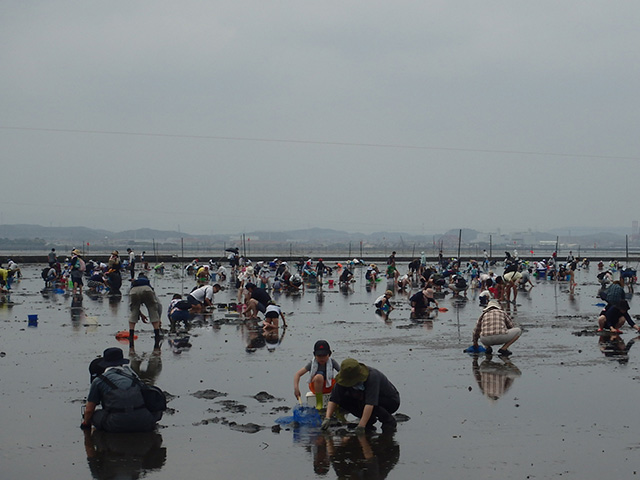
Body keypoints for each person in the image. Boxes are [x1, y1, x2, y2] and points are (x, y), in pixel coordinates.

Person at [81, 347, 162, 432]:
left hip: (116, 425)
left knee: (95, 414)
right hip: (144, 422)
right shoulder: (132, 374)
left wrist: (86, 424)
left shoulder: (99, 381)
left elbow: (89, 410)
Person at [322, 358, 400, 434]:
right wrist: (327, 418)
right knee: (342, 400)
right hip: (363, 399)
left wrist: (361, 426)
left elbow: (370, 403)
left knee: (370, 403)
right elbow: (334, 399)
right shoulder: (343, 378)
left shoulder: (373, 376)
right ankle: (369, 420)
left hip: (388, 400)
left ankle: (388, 421)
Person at [294, 340, 340, 409]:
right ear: (315, 355)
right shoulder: (312, 363)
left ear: (329, 354)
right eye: (319, 356)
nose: (322, 358)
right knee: (319, 376)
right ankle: (319, 403)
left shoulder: (332, 362)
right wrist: (296, 388)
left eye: (324, 355)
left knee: (339, 378)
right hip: (315, 386)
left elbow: (342, 372)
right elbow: (298, 374)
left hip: (329, 386)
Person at [128, 272, 162, 346]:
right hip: (147, 290)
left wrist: (141, 314)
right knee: (152, 308)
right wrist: (159, 318)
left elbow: (133, 306)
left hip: (133, 291)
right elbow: (158, 305)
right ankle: (157, 335)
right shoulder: (148, 284)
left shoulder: (134, 283)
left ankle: (131, 335)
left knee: (134, 310)